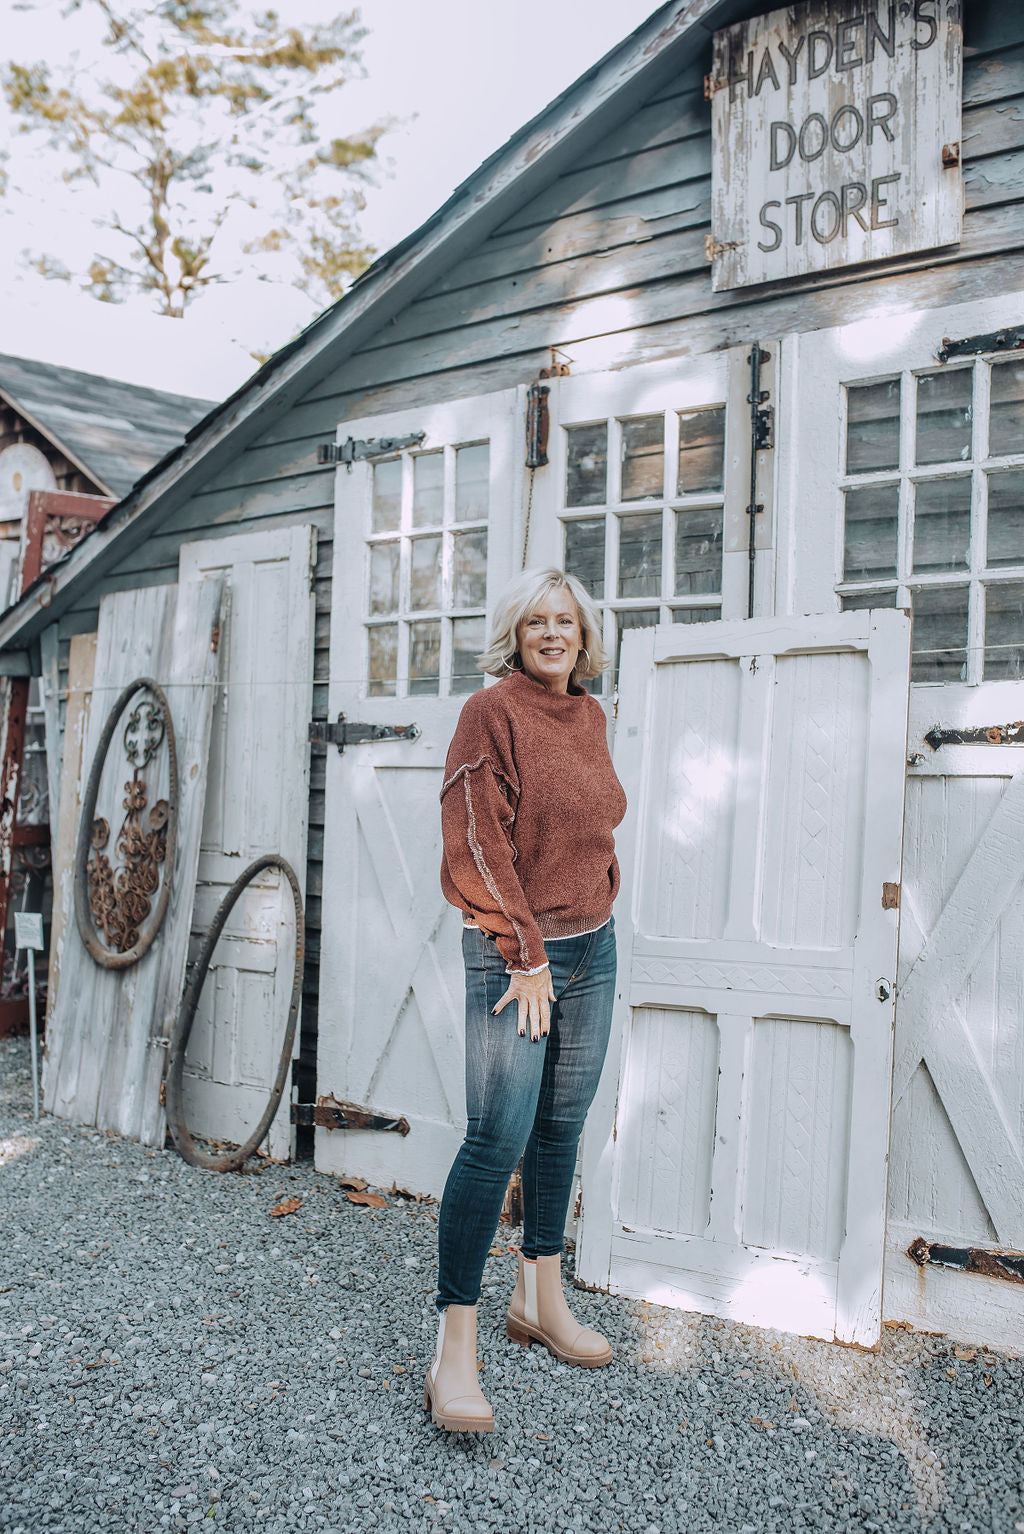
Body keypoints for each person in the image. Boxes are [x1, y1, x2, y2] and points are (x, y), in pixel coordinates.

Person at [423, 566, 627, 1434]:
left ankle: (540, 1299)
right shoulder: (491, 712)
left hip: (591, 950)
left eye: (566, 622)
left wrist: (597, 904)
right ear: (515, 634)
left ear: (584, 638)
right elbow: (476, 843)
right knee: (495, 1139)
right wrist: (527, 953)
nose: (553, 634)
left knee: (560, 1129)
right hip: (516, 960)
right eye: (537, 621)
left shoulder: (589, 716)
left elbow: (592, 826)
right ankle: (453, 1349)